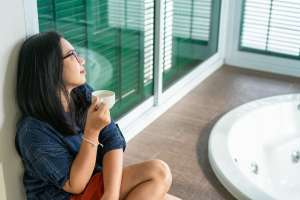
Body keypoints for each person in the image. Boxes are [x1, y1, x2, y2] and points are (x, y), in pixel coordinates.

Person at [15, 31, 172, 200]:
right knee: (158, 173)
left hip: (95, 183)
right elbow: (75, 185)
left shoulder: (82, 93)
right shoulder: (32, 131)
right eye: (71, 55)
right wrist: (92, 131)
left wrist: (111, 194)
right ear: (49, 68)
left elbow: (112, 139)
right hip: (66, 196)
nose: (81, 60)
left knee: (162, 190)